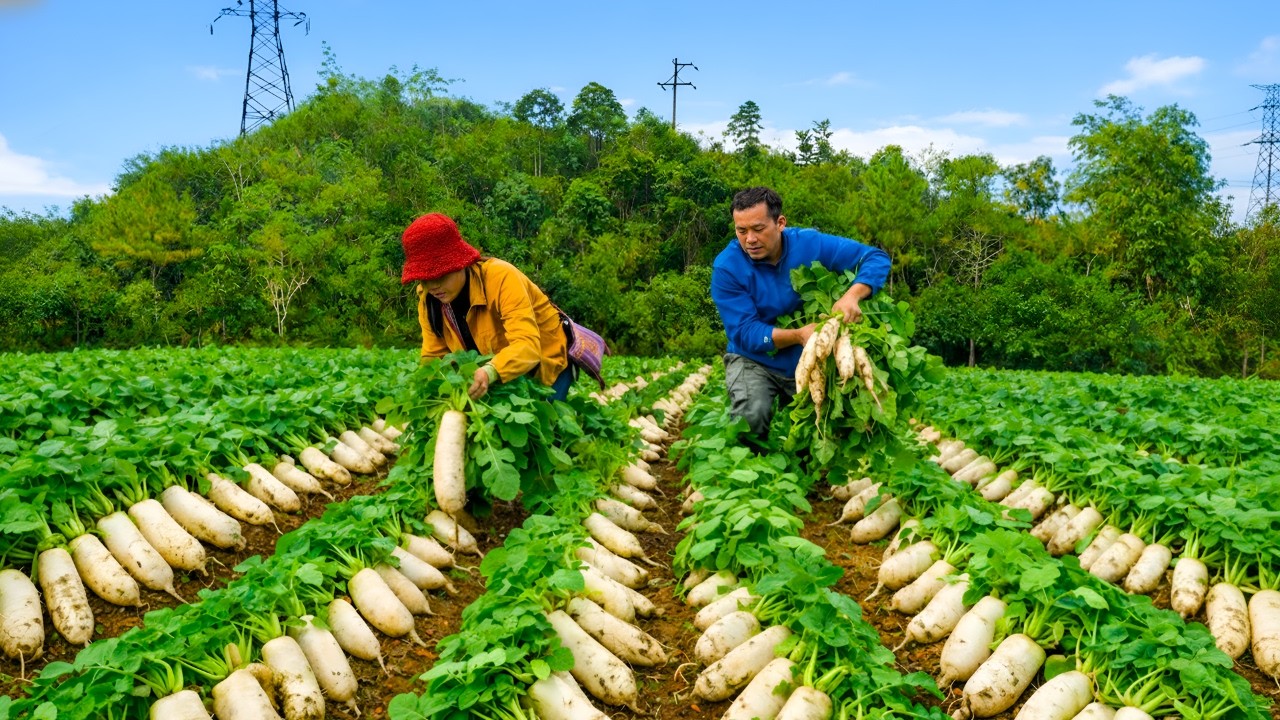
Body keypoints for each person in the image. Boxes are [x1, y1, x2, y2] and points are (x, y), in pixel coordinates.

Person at [710, 186, 891, 438]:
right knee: (751, 417)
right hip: (755, 359)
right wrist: (797, 335)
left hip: (812, 357)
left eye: (758, 229)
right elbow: (745, 332)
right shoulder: (727, 267)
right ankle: (748, 468)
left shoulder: (810, 244)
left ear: (780, 223)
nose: (749, 239)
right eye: (742, 231)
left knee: (823, 430)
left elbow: (875, 257)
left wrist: (853, 295)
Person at [401, 212, 575, 401]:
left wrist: (490, 371)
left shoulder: (501, 278)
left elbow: (527, 345)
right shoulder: (428, 299)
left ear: (460, 263)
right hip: (493, 374)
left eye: (440, 275)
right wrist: (427, 390)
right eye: (425, 279)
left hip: (545, 364)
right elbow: (434, 357)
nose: (433, 286)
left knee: (545, 425)